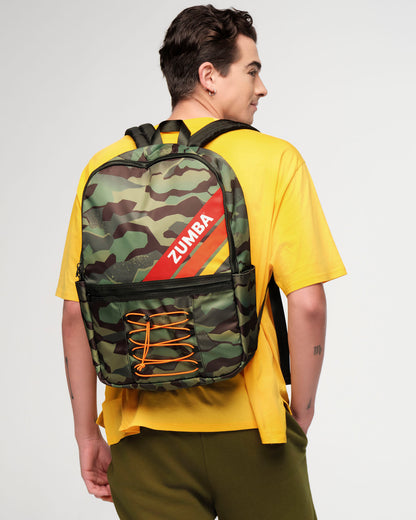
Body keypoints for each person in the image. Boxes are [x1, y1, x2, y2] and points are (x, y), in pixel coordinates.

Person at [57, 5, 346, 519]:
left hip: (141, 437)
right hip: (253, 431)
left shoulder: (104, 166)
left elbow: (77, 313)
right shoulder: (275, 159)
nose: (262, 88)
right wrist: (299, 417)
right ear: (209, 76)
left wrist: (86, 435)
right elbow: (308, 305)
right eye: (252, 71)